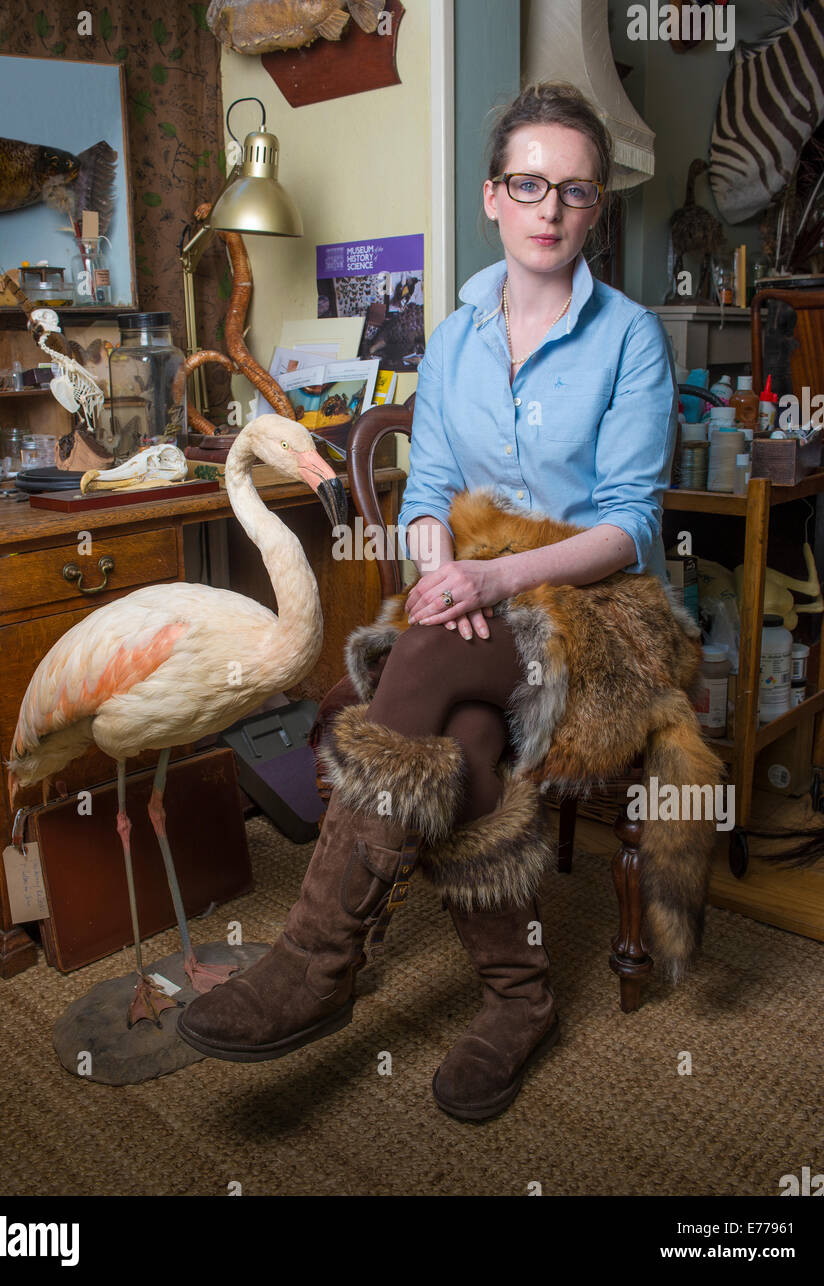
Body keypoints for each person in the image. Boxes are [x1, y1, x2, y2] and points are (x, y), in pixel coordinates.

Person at [178, 83, 677, 1122]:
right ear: (492, 196)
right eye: (528, 183)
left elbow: (630, 522)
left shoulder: (628, 337)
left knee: (423, 666)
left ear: (592, 210)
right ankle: (518, 995)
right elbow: (430, 491)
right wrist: (435, 571)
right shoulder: (450, 340)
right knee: (451, 724)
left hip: (603, 616)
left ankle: (317, 959)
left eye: (573, 190)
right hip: (480, 608)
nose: (549, 206)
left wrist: (491, 580)